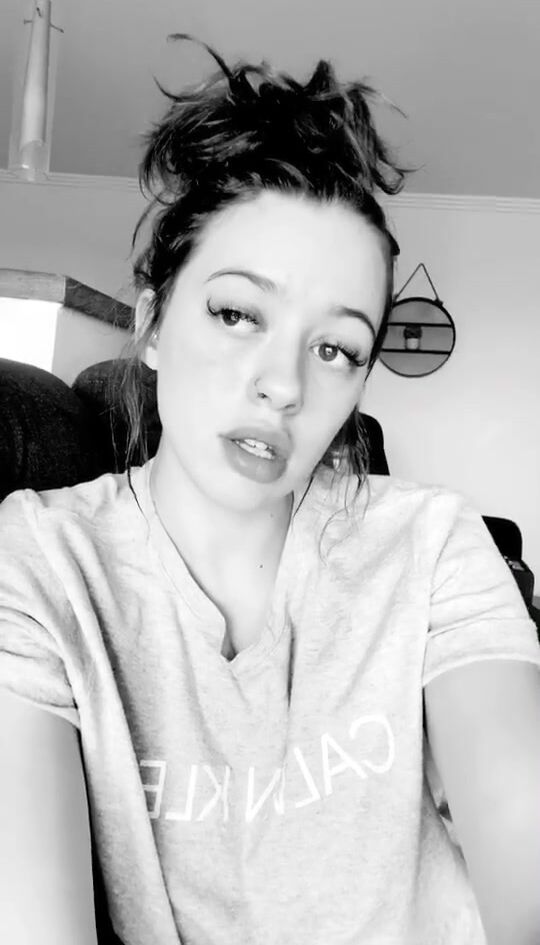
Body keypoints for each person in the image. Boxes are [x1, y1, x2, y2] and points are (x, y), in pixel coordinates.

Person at [1, 34, 539, 945]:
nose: (284, 385)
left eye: (336, 347)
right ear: (153, 325)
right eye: (237, 312)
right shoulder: (44, 564)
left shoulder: (432, 544)